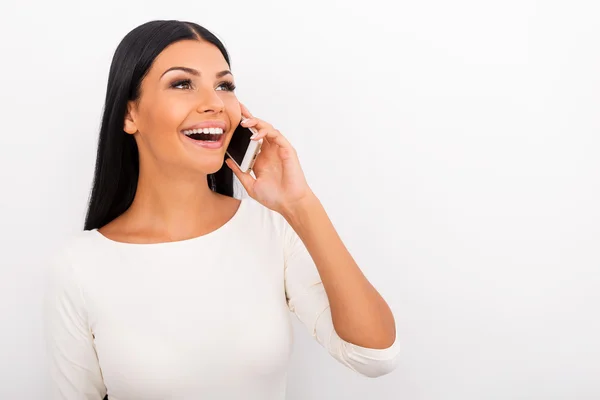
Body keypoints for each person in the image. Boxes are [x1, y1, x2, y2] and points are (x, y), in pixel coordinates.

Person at [44, 20, 400, 400]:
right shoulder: (79, 266)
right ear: (130, 114)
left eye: (224, 86)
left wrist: (300, 205)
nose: (214, 102)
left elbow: (374, 356)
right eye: (182, 83)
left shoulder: (271, 231)